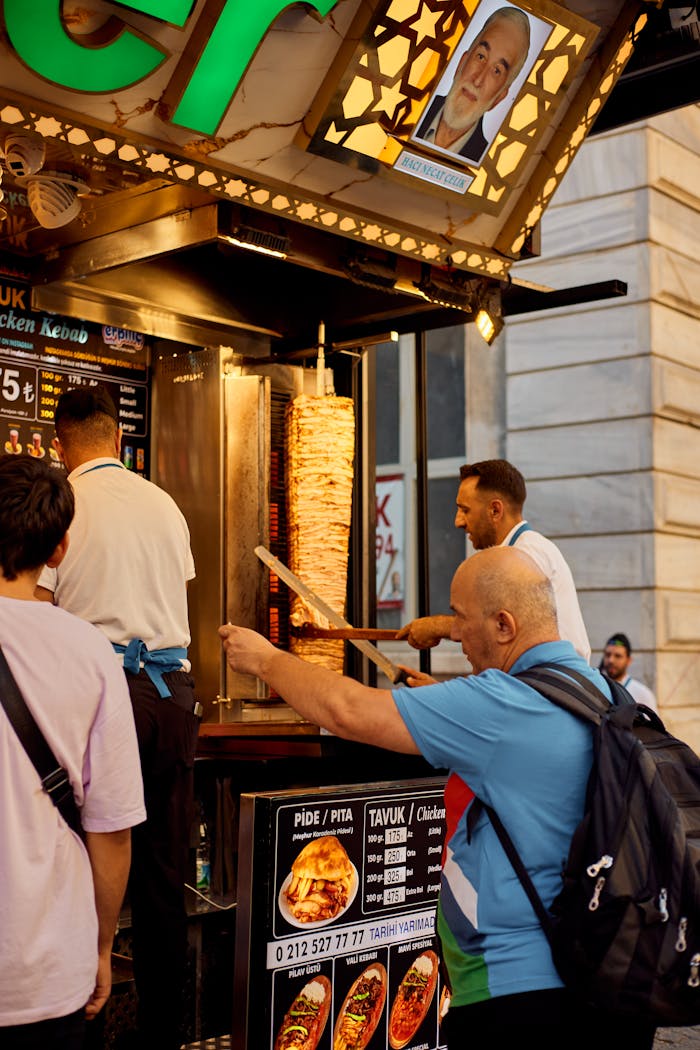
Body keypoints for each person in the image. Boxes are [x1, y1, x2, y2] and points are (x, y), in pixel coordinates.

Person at [219, 546, 655, 1048]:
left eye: (461, 619)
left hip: (521, 998)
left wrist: (267, 659)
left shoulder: (501, 704)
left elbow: (346, 710)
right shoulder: (603, 692)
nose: (457, 634)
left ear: (504, 625)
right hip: (612, 985)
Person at [36, 385, 200, 1050]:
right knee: (164, 875)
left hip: (104, 693)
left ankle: (87, 1025)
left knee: (82, 864)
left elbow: (36, 610)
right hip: (174, 697)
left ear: (58, 443)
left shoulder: (64, 505)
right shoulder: (164, 503)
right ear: (118, 438)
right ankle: (166, 1035)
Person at [0, 453, 145, 1049]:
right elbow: (112, 831)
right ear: (59, 550)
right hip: (50, 975)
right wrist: (102, 948)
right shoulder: (88, 652)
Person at [397, 459, 591, 665]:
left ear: (495, 511)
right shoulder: (520, 551)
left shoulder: (527, 554)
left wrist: (437, 627)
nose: (458, 521)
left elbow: (506, 628)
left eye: (465, 510)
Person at [415, 6, 531, 163]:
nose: (478, 80)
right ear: (461, 64)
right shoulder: (408, 109)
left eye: (497, 71)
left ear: (499, 98)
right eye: (481, 56)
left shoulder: (484, 164)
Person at [601, 632, 657, 711]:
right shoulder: (597, 687)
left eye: (618, 656)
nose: (611, 660)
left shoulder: (643, 694)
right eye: (608, 654)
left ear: (628, 660)